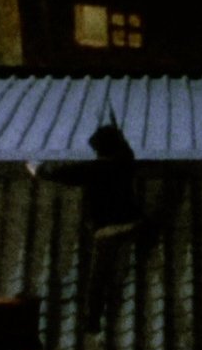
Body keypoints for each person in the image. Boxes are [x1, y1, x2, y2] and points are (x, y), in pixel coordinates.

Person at [28, 121, 146, 335]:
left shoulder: (95, 169)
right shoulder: (126, 161)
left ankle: (92, 321)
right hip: (134, 223)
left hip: (109, 230)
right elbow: (126, 148)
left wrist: (37, 168)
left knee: (98, 277)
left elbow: (63, 173)